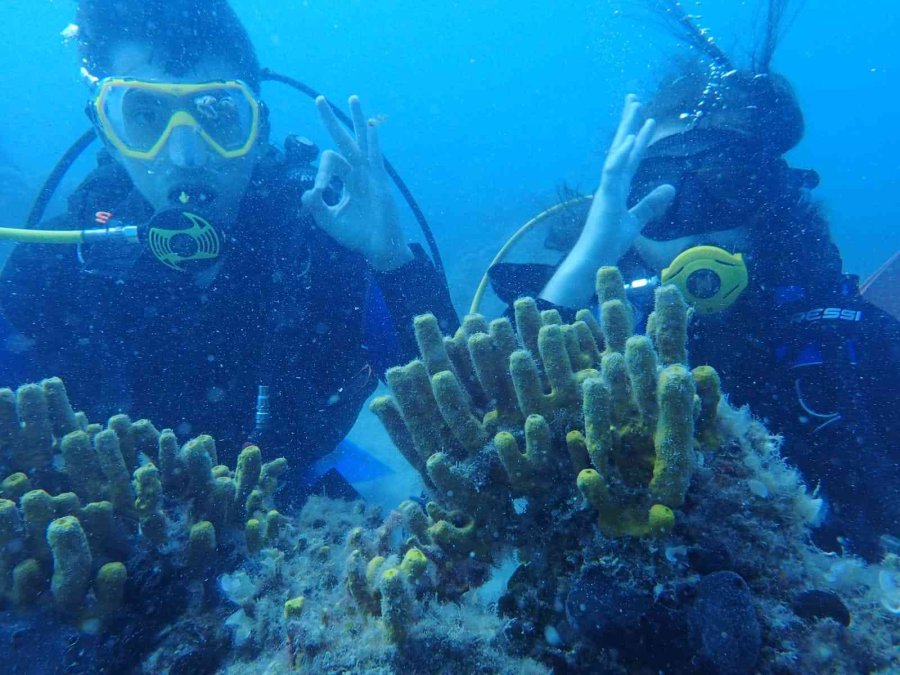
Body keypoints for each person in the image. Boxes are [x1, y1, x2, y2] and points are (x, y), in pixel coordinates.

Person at [0, 0, 457, 496]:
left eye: (217, 113)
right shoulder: (49, 269)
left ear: (259, 131)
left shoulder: (324, 244)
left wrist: (391, 262)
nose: (186, 156)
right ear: (107, 135)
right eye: (145, 114)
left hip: (303, 490)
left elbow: (462, 408)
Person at [490, 63, 899, 560]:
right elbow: (497, 433)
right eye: (660, 194)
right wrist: (587, 259)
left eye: (727, 184)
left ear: (768, 199)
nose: (696, 221)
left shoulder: (852, 344)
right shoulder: (591, 325)